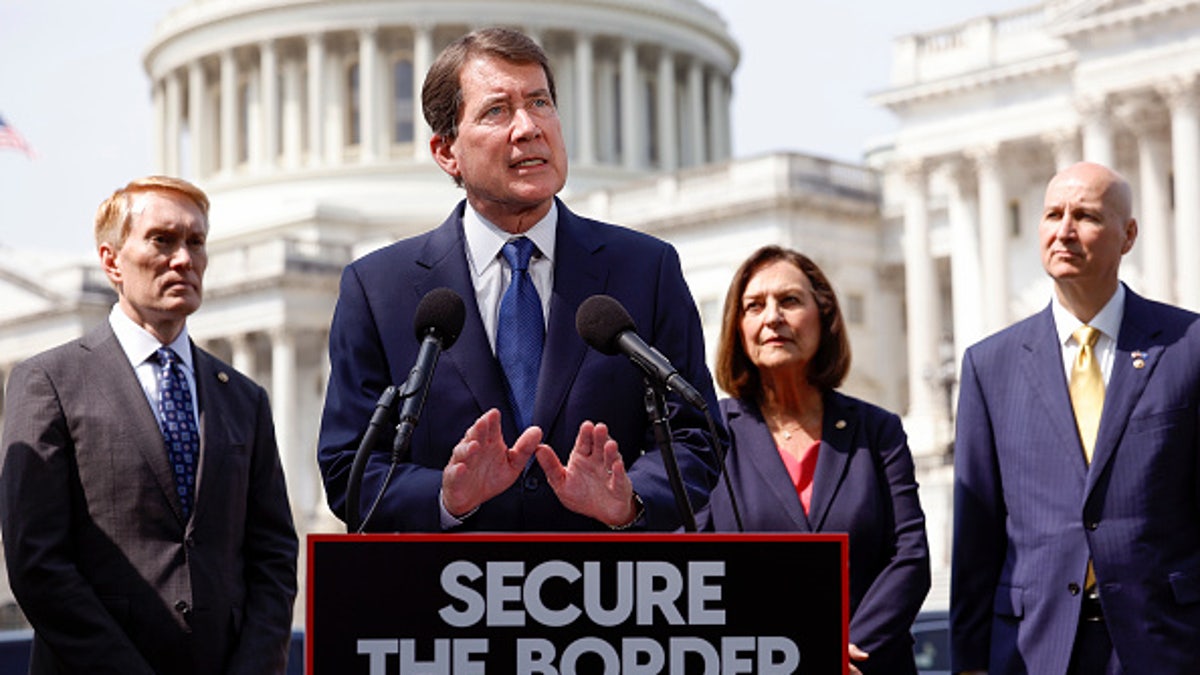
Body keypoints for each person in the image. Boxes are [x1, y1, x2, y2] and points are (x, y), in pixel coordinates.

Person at [317, 27, 720, 532]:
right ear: (446, 152)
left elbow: (696, 436)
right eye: (497, 111)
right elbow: (348, 468)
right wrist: (445, 497)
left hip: (603, 577)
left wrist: (628, 500)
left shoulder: (646, 269)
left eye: (540, 102)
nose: (529, 127)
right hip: (445, 579)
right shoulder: (379, 290)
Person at [0, 176, 299, 674]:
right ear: (112, 261)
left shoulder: (244, 398)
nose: (183, 259)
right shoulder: (50, 381)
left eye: (196, 242)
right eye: (162, 240)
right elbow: (37, 562)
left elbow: (274, 555)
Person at [952, 161, 1200, 674]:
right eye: (1052, 214)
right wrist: (970, 661)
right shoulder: (989, 365)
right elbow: (976, 534)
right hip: (1034, 649)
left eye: (1085, 216)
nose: (1064, 230)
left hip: (1165, 643)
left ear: (1128, 235)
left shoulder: (1188, 347)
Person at [698, 245, 931, 675]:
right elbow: (693, 567)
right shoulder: (709, 435)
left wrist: (845, 651)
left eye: (789, 300)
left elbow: (909, 556)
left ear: (824, 317)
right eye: (754, 306)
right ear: (737, 327)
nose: (772, 317)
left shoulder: (877, 431)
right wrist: (787, 652)